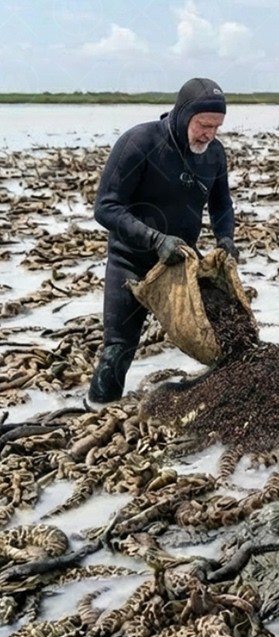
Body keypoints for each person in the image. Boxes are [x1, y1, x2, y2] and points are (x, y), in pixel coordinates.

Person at [88, 77, 239, 404]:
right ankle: (98, 412)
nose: (209, 134)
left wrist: (226, 238)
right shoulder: (140, 143)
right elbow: (105, 208)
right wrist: (155, 240)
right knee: (117, 351)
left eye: (216, 127)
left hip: (181, 265)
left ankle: (226, 409)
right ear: (184, 114)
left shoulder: (214, 154)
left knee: (225, 338)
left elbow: (221, 204)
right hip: (131, 262)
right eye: (203, 125)